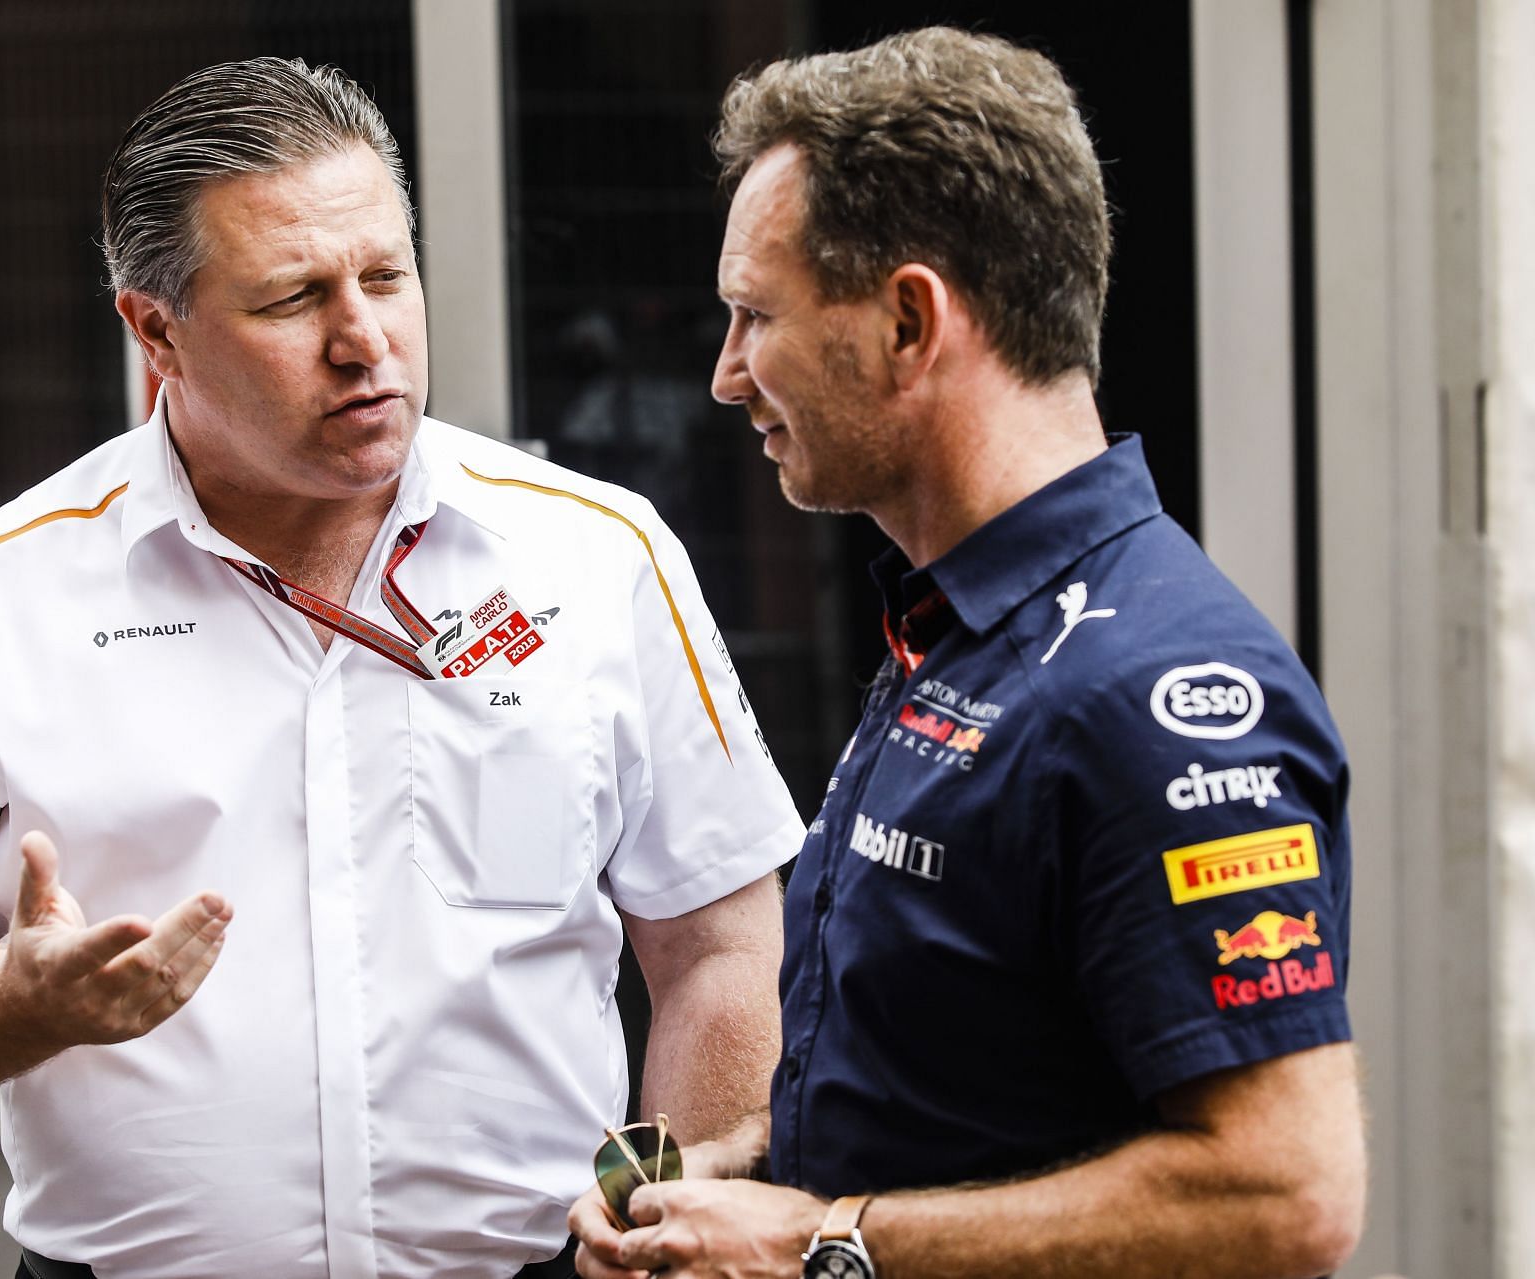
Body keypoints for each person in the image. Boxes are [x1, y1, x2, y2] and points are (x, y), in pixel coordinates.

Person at [0, 57, 802, 1279]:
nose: (364, 340)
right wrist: (13, 1000)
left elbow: (719, 947)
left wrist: (658, 1215)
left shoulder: (597, 551)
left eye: (385, 276)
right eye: (292, 299)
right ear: (157, 331)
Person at [570, 27, 1364, 1279]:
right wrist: (745, 1174)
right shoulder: (964, 626)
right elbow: (966, 1093)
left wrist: (821, 1244)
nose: (726, 377)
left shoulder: (1153, 689)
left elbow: (1283, 1195)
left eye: (755, 316)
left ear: (907, 320)